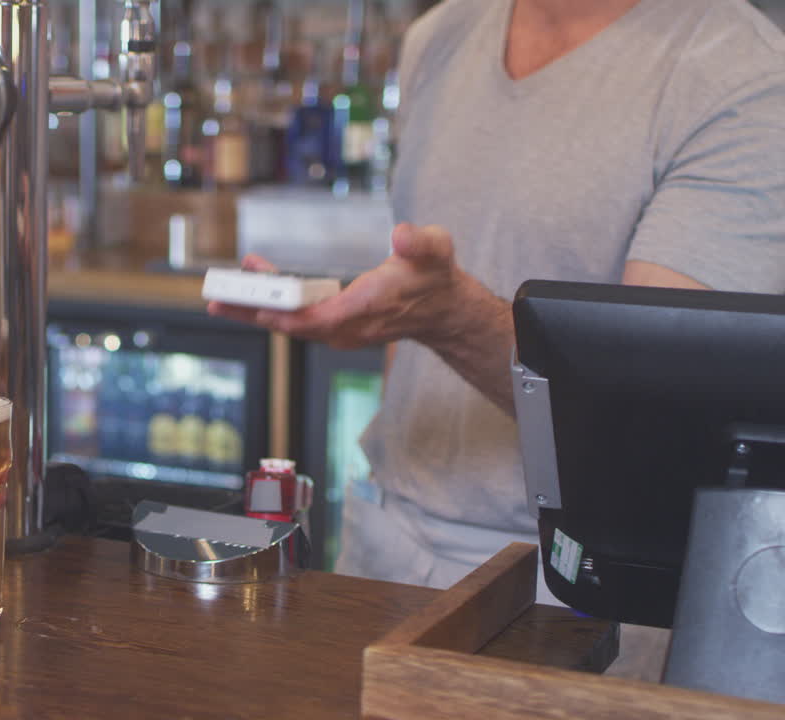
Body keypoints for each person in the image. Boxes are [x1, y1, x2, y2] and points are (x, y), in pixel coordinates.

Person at [212, 0, 785, 679]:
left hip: (563, 590)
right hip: (385, 547)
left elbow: (649, 431)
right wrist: (409, 312)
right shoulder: (442, 35)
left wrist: (450, 318)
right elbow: (422, 269)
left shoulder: (741, 75)